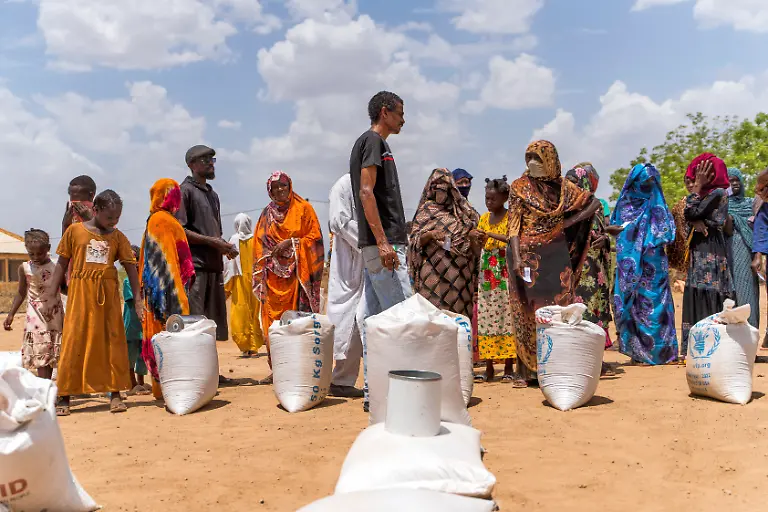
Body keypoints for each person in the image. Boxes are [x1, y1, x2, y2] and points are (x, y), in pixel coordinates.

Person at [507, 140, 600, 383]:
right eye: (529, 158)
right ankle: (528, 371)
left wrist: (568, 223)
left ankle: (556, 364)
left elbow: (594, 203)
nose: (532, 163)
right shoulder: (518, 187)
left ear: (550, 161)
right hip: (527, 259)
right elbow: (514, 227)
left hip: (556, 258)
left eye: (538, 158)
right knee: (527, 311)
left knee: (558, 308)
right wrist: (517, 258)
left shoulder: (564, 189)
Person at [43, 190, 141, 416]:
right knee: (74, 341)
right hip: (80, 295)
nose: (113, 222)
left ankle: (115, 393)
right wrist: (50, 296)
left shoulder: (117, 238)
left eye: (117, 218)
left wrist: (137, 298)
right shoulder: (75, 232)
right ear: (95, 211)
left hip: (107, 298)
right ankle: (65, 395)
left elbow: (130, 268)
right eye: (109, 218)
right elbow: (61, 264)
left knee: (111, 343)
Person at [350, 91, 413, 412]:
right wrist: (385, 241)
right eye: (400, 112)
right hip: (382, 245)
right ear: (385, 112)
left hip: (375, 245)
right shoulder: (373, 143)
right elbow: (366, 191)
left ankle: (374, 393)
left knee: (372, 319)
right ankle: (401, 395)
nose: (404, 119)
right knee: (402, 319)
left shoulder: (373, 144)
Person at [253, 171, 325, 384]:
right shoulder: (266, 214)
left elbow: (315, 238)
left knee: (297, 321)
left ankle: (299, 368)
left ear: (290, 186)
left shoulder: (304, 209)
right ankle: (278, 369)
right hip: (273, 280)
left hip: (297, 277)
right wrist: (270, 259)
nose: (280, 190)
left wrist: (292, 243)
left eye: (283, 186)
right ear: (269, 191)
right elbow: (259, 244)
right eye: (275, 188)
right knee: (274, 324)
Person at [176, 145, 237, 384]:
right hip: (196, 267)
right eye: (205, 160)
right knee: (195, 322)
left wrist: (222, 246)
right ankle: (195, 375)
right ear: (192, 165)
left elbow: (214, 230)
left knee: (211, 324)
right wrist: (213, 242)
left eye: (212, 159)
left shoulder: (212, 194)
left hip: (213, 265)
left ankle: (211, 373)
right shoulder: (185, 191)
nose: (211, 163)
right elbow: (181, 230)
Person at [611, 163, 678, 365]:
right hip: (630, 269)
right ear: (635, 181)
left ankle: (662, 353)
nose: (648, 185)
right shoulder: (625, 205)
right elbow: (619, 231)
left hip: (654, 267)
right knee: (635, 307)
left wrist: (647, 238)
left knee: (657, 306)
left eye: (651, 181)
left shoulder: (657, 202)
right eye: (644, 181)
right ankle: (639, 353)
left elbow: (668, 233)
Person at [140, 178, 195, 400]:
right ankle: (176, 388)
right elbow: (180, 261)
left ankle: (160, 389)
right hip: (171, 293)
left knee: (158, 336)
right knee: (174, 335)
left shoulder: (152, 220)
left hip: (153, 296)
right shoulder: (165, 222)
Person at [680, 154, 734, 363]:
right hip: (700, 247)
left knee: (710, 291)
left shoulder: (719, 193)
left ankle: (712, 348)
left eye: (701, 173)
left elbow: (690, 211)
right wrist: (695, 220)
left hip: (710, 249)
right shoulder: (705, 195)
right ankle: (694, 348)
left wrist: (697, 190)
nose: (696, 177)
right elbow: (689, 216)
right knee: (697, 290)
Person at [408, 168, 483, 317]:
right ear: (431, 188)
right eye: (437, 189)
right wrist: (429, 235)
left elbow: (473, 241)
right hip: (432, 276)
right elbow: (414, 240)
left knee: (458, 321)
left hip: (460, 278)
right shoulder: (426, 210)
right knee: (433, 319)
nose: (441, 193)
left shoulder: (463, 212)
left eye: (444, 188)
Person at [565, 164, 616, 375]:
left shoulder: (596, 206)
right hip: (574, 266)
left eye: (575, 182)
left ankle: (596, 361)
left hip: (595, 269)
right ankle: (579, 359)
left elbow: (600, 232)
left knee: (595, 311)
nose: (571, 186)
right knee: (577, 311)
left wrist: (605, 239)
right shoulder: (567, 206)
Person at [474, 177, 522, 386]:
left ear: (504, 197)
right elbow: (479, 250)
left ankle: (510, 366)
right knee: (486, 317)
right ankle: (490, 367)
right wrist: (474, 238)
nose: (489, 202)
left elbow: (513, 240)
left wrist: (490, 235)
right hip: (487, 274)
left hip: (504, 271)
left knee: (507, 315)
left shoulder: (511, 217)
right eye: (486, 198)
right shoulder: (483, 219)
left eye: (493, 199)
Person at [3, 229, 63, 380]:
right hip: (35, 317)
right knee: (40, 351)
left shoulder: (57, 266)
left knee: (55, 352)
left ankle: (54, 391)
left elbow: (65, 288)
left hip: (55, 315)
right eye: (32, 254)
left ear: (48, 249)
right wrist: (11, 314)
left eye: (40, 254)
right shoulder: (24, 268)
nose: (36, 257)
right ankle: (44, 388)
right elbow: (21, 292)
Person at [326, 174, 365, 399]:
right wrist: (370, 242)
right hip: (349, 262)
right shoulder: (342, 185)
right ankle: (340, 380)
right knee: (345, 320)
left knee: (367, 320)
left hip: (371, 261)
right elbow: (339, 221)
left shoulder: (376, 183)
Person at [224, 213, 264, 357]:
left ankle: (246, 346)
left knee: (240, 314)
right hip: (254, 282)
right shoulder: (256, 239)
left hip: (239, 282)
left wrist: (226, 287)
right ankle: (253, 346)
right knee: (253, 313)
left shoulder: (233, 240)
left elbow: (228, 266)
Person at [727, 168, 759, 329]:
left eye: (736, 180)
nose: (734, 184)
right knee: (729, 295)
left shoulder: (750, 203)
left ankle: (751, 333)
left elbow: (759, 229)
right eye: (730, 181)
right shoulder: (722, 205)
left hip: (747, 253)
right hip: (727, 253)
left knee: (747, 292)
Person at [123, 245, 150, 396]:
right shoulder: (128, 281)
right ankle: (132, 383)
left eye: (136, 259)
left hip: (144, 323)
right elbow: (133, 300)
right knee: (130, 355)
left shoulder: (145, 279)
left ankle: (141, 382)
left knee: (142, 353)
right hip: (131, 324)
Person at [752, 168, 768, 347]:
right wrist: (758, 255)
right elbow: (761, 229)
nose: (757, 192)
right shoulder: (764, 207)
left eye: (761, 188)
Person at [667, 176, 695, 273]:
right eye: (688, 183)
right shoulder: (679, 207)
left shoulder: (710, 200)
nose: (691, 185)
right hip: (684, 253)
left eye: (693, 181)